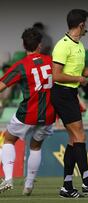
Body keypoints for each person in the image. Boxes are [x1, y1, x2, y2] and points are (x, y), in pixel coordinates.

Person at [50, 9, 88, 198]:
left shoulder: (79, 45)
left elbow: (82, 74)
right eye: (86, 23)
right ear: (81, 24)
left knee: (73, 140)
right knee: (80, 136)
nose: (87, 26)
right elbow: (56, 75)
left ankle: (67, 186)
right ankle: (87, 182)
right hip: (62, 94)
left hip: (70, 93)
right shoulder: (62, 45)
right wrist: (77, 77)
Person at [0, 28, 56, 196]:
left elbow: (2, 86)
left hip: (27, 113)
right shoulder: (52, 61)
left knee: (8, 139)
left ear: (23, 45)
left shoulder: (21, 66)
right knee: (36, 146)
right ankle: (29, 184)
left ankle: (8, 178)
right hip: (48, 114)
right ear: (40, 45)